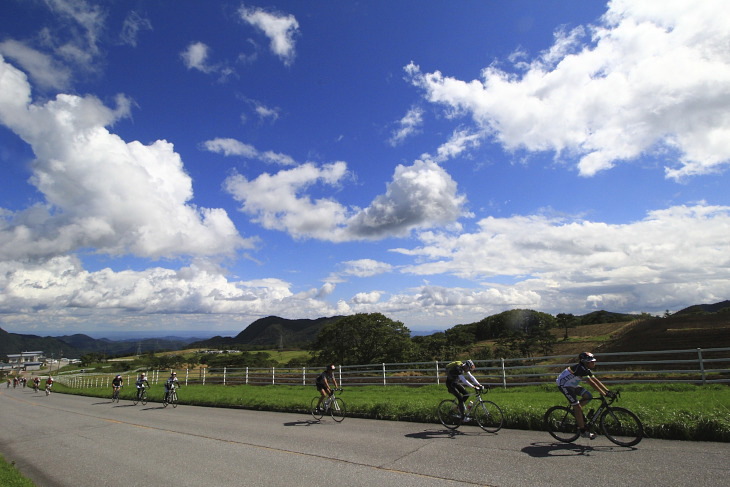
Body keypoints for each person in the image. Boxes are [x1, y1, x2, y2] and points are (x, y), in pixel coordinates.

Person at [556, 351, 615, 439]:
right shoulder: (580, 369)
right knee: (578, 407)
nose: (593, 362)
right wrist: (603, 393)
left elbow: (595, 380)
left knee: (588, 396)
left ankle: (576, 411)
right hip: (564, 385)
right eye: (591, 361)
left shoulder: (585, 369)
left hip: (572, 385)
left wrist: (607, 390)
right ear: (585, 362)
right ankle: (583, 431)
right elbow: (591, 383)